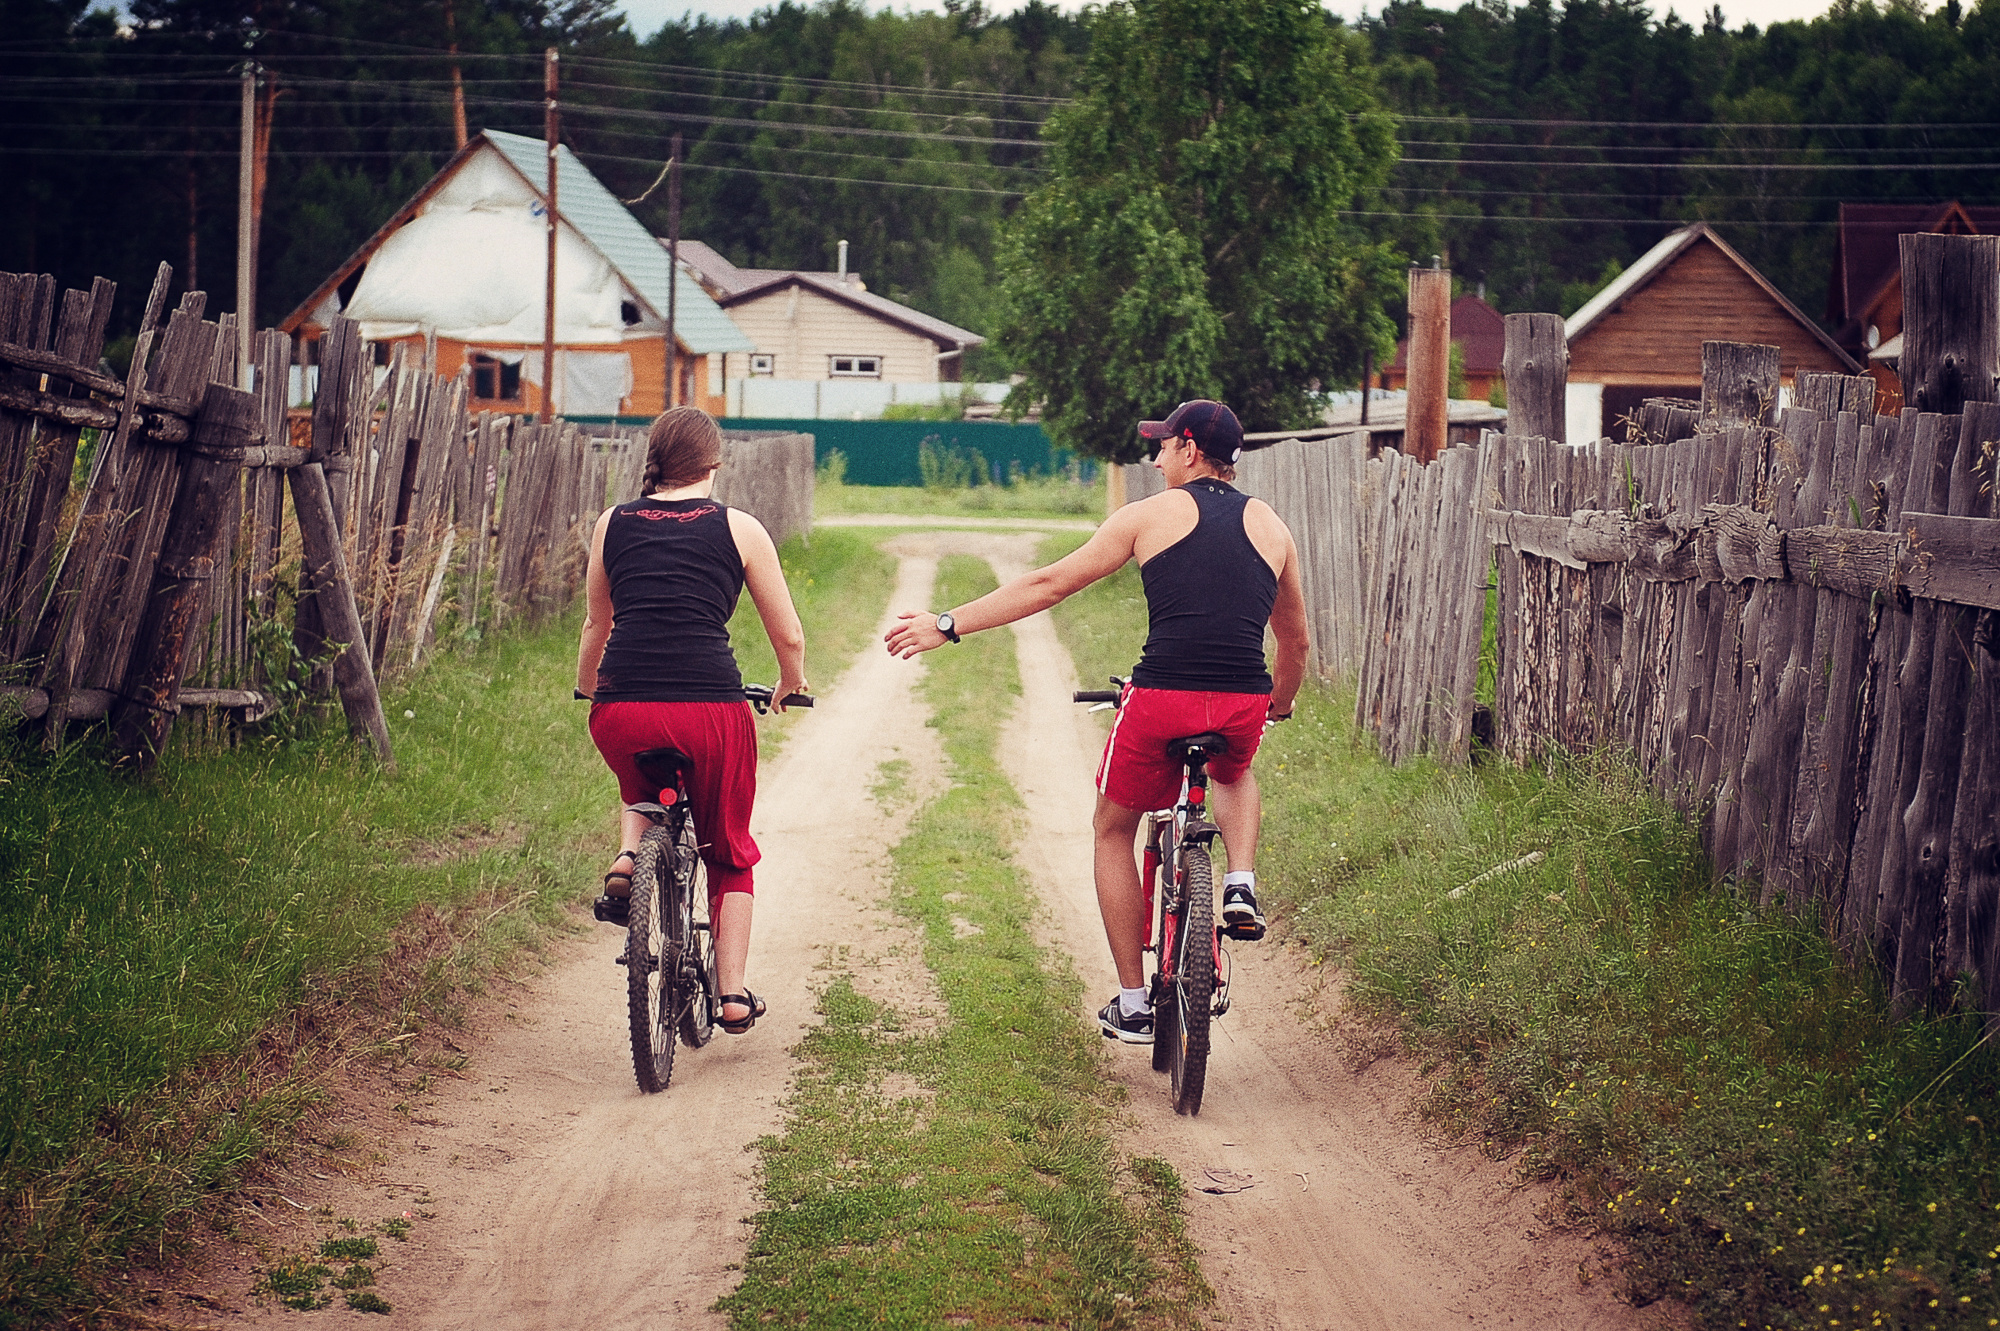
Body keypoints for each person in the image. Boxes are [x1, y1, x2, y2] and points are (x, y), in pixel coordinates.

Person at [884, 399, 1309, 1045]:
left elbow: (1052, 582)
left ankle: (1135, 1001)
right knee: (1236, 768)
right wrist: (1280, 699)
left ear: (1190, 448)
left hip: (1162, 695)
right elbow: (1296, 639)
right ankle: (1242, 883)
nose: (1155, 456)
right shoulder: (1273, 525)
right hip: (1243, 698)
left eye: (1162, 445)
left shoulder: (1148, 515)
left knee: (1113, 828)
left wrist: (947, 623)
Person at [576, 406, 809, 1036]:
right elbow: (786, 633)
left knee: (640, 782)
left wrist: (588, 689)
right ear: (714, 463)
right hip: (710, 709)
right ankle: (731, 996)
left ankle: (629, 856)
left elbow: (598, 623)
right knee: (728, 850)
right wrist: (791, 684)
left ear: (653, 460)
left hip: (622, 708)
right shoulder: (740, 528)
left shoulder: (610, 524)